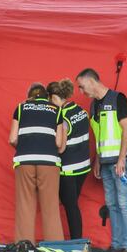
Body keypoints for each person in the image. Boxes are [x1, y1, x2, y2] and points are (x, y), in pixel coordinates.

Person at [76, 67, 127, 252]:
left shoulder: (118, 98)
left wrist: (122, 159)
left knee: (124, 202)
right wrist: (98, 160)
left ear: (91, 81)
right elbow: (100, 135)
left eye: (81, 86)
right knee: (112, 204)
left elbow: (126, 129)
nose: (81, 91)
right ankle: (117, 245)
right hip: (105, 162)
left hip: (123, 160)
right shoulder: (94, 105)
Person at [8, 83, 66, 243]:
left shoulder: (20, 108)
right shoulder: (56, 110)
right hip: (49, 162)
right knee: (51, 207)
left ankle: (24, 247)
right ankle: (55, 248)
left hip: (24, 161)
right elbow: (58, 142)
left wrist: (25, 146)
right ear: (46, 97)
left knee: (25, 205)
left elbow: (12, 138)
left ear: (29, 97)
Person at [47, 78, 90, 240]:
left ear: (54, 98)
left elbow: (61, 147)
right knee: (72, 204)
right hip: (84, 167)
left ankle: (76, 241)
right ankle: (76, 240)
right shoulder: (79, 110)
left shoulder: (63, 116)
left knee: (71, 207)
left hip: (69, 169)